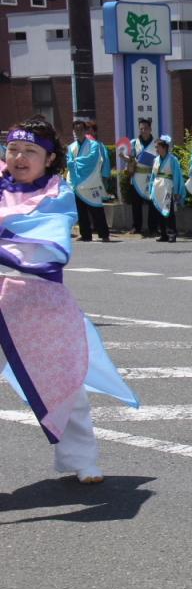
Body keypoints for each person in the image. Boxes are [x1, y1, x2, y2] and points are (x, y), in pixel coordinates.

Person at [1, 118, 138, 482]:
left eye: (30, 151)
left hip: (36, 298)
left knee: (66, 382)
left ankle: (82, 458)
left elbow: (45, 243)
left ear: (49, 158)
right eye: (13, 149)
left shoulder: (57, 193)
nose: (19, 157)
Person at [66, 119, 111, 242]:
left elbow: (92, 159)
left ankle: (104, 234)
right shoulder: (71, 147)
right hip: (76, 181)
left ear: (85, 130)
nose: (78, 132)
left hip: (91, 180)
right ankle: (85, 234)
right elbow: (68, 162)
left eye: (81, 129)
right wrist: (72, 164)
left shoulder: (94, 145)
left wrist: (75, 162)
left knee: (96, 208)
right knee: (81, 210)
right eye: (76, 130)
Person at [125, 117, 159, 236]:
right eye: (141, 129)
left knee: (153, 203)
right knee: (136, 203)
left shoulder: (156, 143)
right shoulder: (133, 143)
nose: (143, 131)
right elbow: (130, 158)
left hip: (151, 176)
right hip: (137, 176)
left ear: (150, 129)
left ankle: (153, 228)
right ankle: (136, 227)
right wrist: (126, 158)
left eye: (146, 128)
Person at [149, 134, 185, 243]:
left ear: (164, 147)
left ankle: (172, 233)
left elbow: (177, 176)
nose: (156, 149)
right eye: (156, 147)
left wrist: (177, 191)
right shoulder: (156, 160)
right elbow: (153, 176)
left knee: (168, 211)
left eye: (158, 147)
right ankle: (163, 234)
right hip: (158, 187)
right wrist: (151, 189)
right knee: (159, 210)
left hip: (168, 187)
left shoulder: (173, 160)